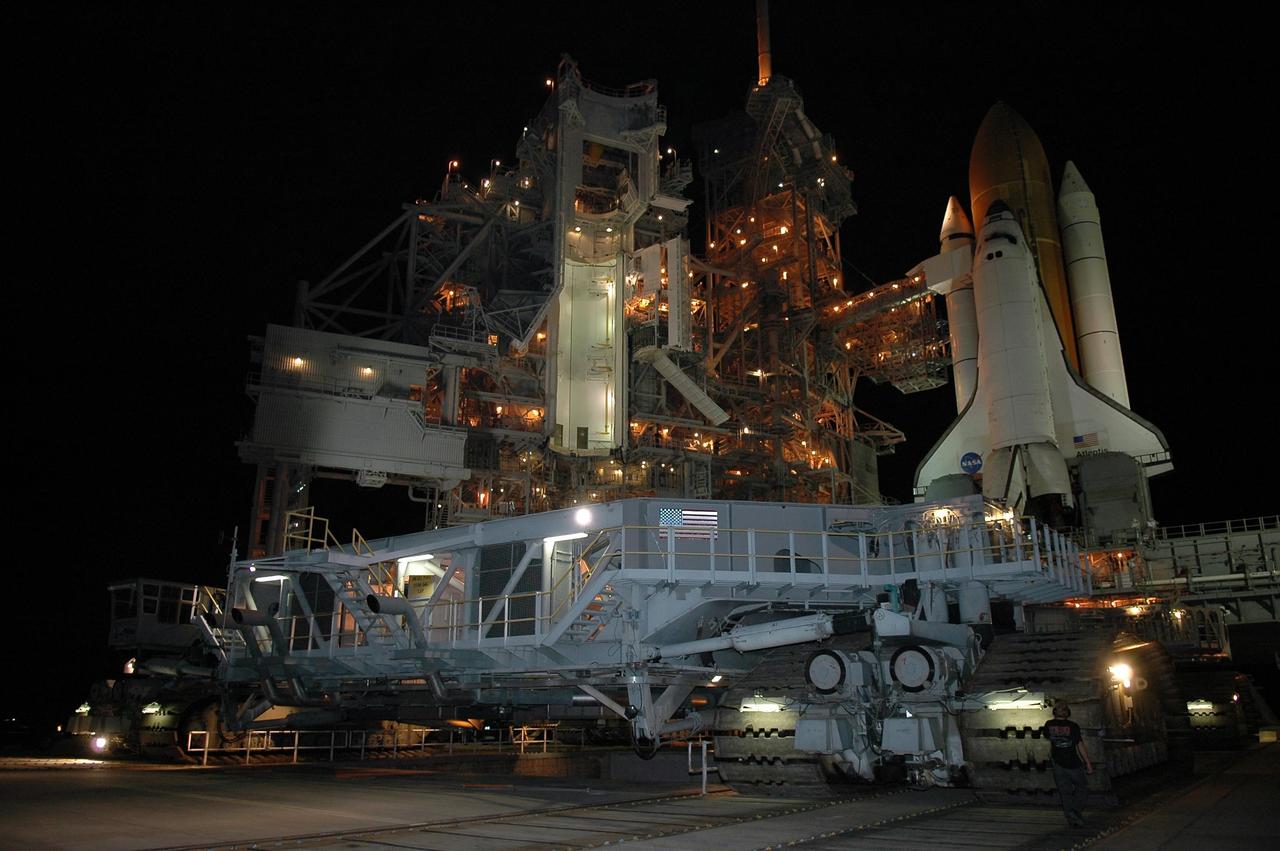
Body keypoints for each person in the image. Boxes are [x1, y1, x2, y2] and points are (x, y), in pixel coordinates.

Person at [1043, 700, 1093, 826]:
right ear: (1067, 713)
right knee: (1082, 788)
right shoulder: (1073, 726)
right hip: (1073, 763)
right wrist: (1088, 763)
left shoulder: (1049, 725)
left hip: (1058, 763)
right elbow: (1079, 745)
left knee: (1065, 792)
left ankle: (1072, 818)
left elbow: (1050, 740)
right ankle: (1075, 813)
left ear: (1055, 712)